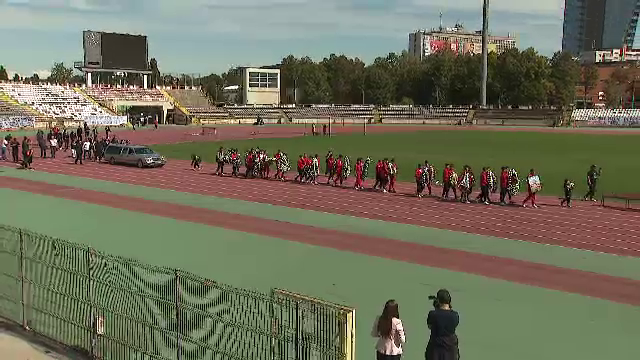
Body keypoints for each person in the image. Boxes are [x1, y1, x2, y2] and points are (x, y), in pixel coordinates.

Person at [425, 289, 460, 360]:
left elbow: (430, 326)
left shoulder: (433, 314)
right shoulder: (455, 315)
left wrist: (436, 309)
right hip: (451, 348)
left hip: (436, 347)